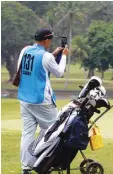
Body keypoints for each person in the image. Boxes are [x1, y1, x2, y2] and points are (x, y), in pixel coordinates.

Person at [17, 28, 69, 174]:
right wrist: (63, 56)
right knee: (54, 131)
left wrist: (53, 55)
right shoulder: (46, 56)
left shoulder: (25, 50)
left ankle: (26, 167)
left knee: (27, 133)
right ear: (46, 40)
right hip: (42, 101)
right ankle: (47, 163)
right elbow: (59, 72)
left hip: (24, 99)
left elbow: (31, 66)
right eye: (50, 39)